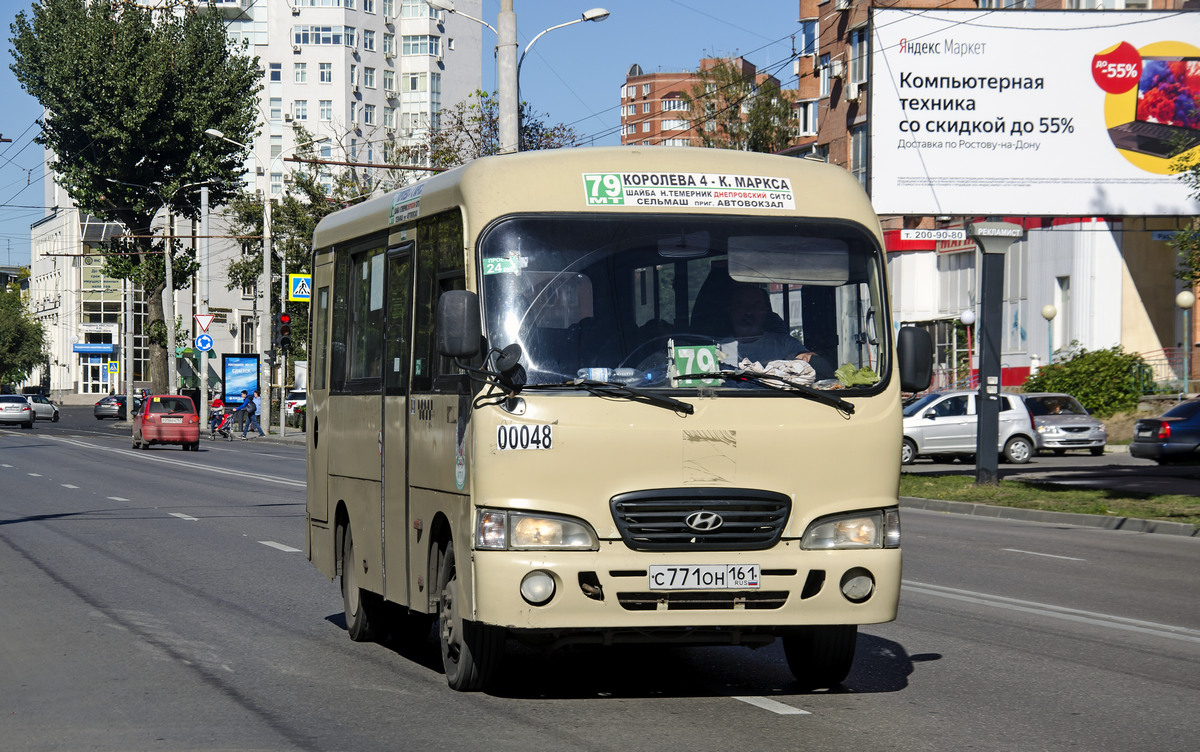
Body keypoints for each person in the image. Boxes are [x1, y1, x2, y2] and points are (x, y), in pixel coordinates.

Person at [725, 282, 814, 365]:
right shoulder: (717, 347)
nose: (749, 311)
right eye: (741, 305)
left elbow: (811, 362)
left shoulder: (786, 345)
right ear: (730, 310)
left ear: (764, 310)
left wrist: (807, 358)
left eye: (755, 305)